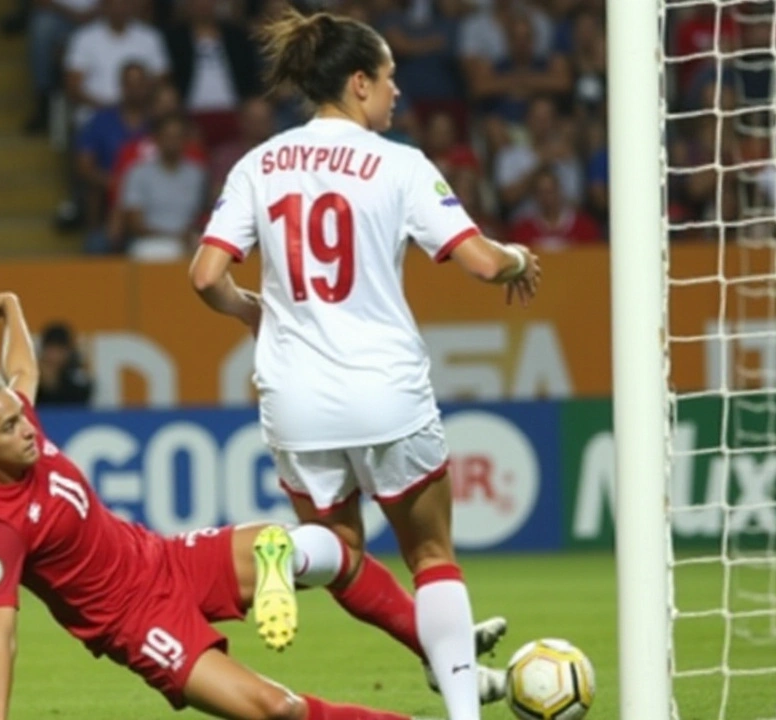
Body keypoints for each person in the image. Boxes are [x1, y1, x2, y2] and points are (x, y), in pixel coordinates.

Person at [0, 292, 506, 720]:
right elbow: (1, 641)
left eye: (23, 417)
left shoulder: (18, 430)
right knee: (277, 710)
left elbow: (19, 369)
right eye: (10, 425)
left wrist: (13, 304)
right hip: (139, 625)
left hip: (166, 559)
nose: (27, 427)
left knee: (334, 552)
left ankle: (436, 653)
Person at [188, 9, 541, 720]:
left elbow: (203, 275)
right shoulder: (401, 163)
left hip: (293, 395)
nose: (397, 93)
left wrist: (251, 311)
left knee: (340, 550)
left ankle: (286, 552)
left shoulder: (258, 162)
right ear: (357, 83)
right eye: (388, 78)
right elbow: (477, 262)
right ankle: (467, 715)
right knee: (433, 553)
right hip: (385, 390)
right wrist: (517, 260)